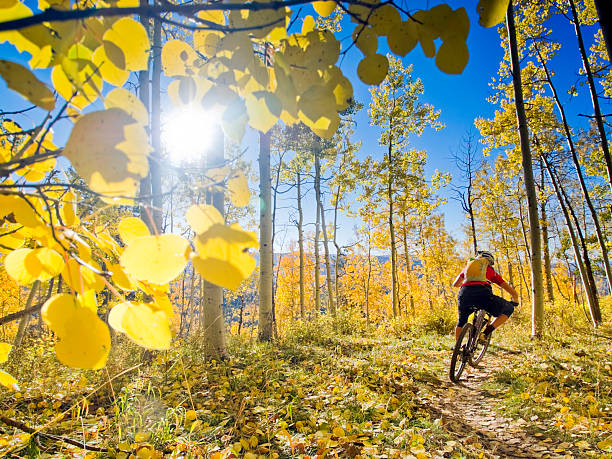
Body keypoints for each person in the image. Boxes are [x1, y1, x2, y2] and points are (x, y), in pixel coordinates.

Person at [452, 250, 518, 343]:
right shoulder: (489, 270)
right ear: (489, 262)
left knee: (461, 321)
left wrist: (468, 285)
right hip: (482, 294)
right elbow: (505, 285)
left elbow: (455, 284)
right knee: (509, 309)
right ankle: (485, 333)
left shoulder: (467, 268)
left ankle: (457, 347)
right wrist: (515, 297)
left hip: (464, 294)